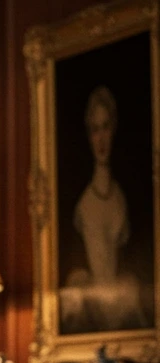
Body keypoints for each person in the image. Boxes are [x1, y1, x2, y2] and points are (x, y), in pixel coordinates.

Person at [59, 86, 149, 334]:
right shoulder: (85, 203)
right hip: (94, 300)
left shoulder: (121, 197)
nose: (101, 138)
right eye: (94, 129)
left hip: (118, 299)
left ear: (114, 129)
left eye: (105, 127)